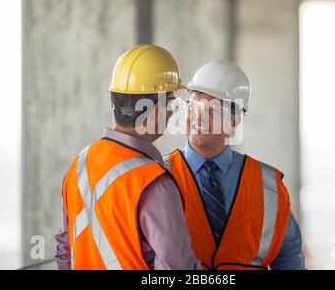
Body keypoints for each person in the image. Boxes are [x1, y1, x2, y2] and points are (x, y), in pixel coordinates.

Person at [55, 44, 200, 270]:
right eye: (171, 102)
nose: (173, 111)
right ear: (156, 111)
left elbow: (65, 252)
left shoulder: (80, 164)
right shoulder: (153, 182)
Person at [164, 59, 305, 270]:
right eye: (194, 105)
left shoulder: (269, 187)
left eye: (212, 110)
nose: (199, 117)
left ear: (234, 121)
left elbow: (289, 257)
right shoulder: (158, 175)